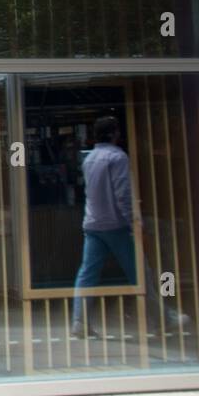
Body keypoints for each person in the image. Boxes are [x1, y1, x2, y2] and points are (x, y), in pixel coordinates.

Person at [71, 117, 136, 338]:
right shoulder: (117, 157)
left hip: (92, 223)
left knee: (87, 273)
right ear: (115, 133)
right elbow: (123, 194)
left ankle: (79, 321)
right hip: (115, 224)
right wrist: (133, 221)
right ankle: (163, 318)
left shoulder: (88, 159)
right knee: (139, 272)